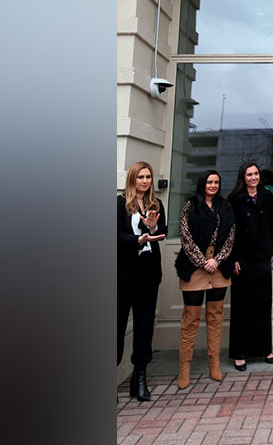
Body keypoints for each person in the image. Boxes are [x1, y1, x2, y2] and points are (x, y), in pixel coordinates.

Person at [173, 170, 236, 388]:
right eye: (209, 181)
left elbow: (230, 237)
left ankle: (214, 364)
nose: (213, 185)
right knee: (190, 318)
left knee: (215, 316)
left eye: (217, 182)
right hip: (194, 267)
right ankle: (184, 368)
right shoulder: (190, 205)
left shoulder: (225, 206)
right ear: (202, 183)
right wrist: (202, 261)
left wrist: (216, 260)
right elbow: (185, 236)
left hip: (218, 267)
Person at [117, 161, 167, 401]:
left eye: (148, 177)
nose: (145, 181)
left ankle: (139, 379)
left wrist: (153, 225)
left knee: (144, 327)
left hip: (148, 275)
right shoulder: (119, 204)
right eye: (141, 177)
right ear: (132, 179)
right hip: (123, 275)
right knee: (116, 326)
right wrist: (137, 239)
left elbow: (163, 232)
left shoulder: (156, 205)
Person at [227, 162, 273, 371]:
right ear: (243, 177)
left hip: (263, 255)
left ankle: (265, 349)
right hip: (243, 258)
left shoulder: (267, 196)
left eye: (256, 174)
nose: (253, 177)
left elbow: (272, 225)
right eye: (249, 174)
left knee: (263, 303)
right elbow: (232, 231)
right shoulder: (235, 199)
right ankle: (240, 353)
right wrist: (234, 257)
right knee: (241, 306)